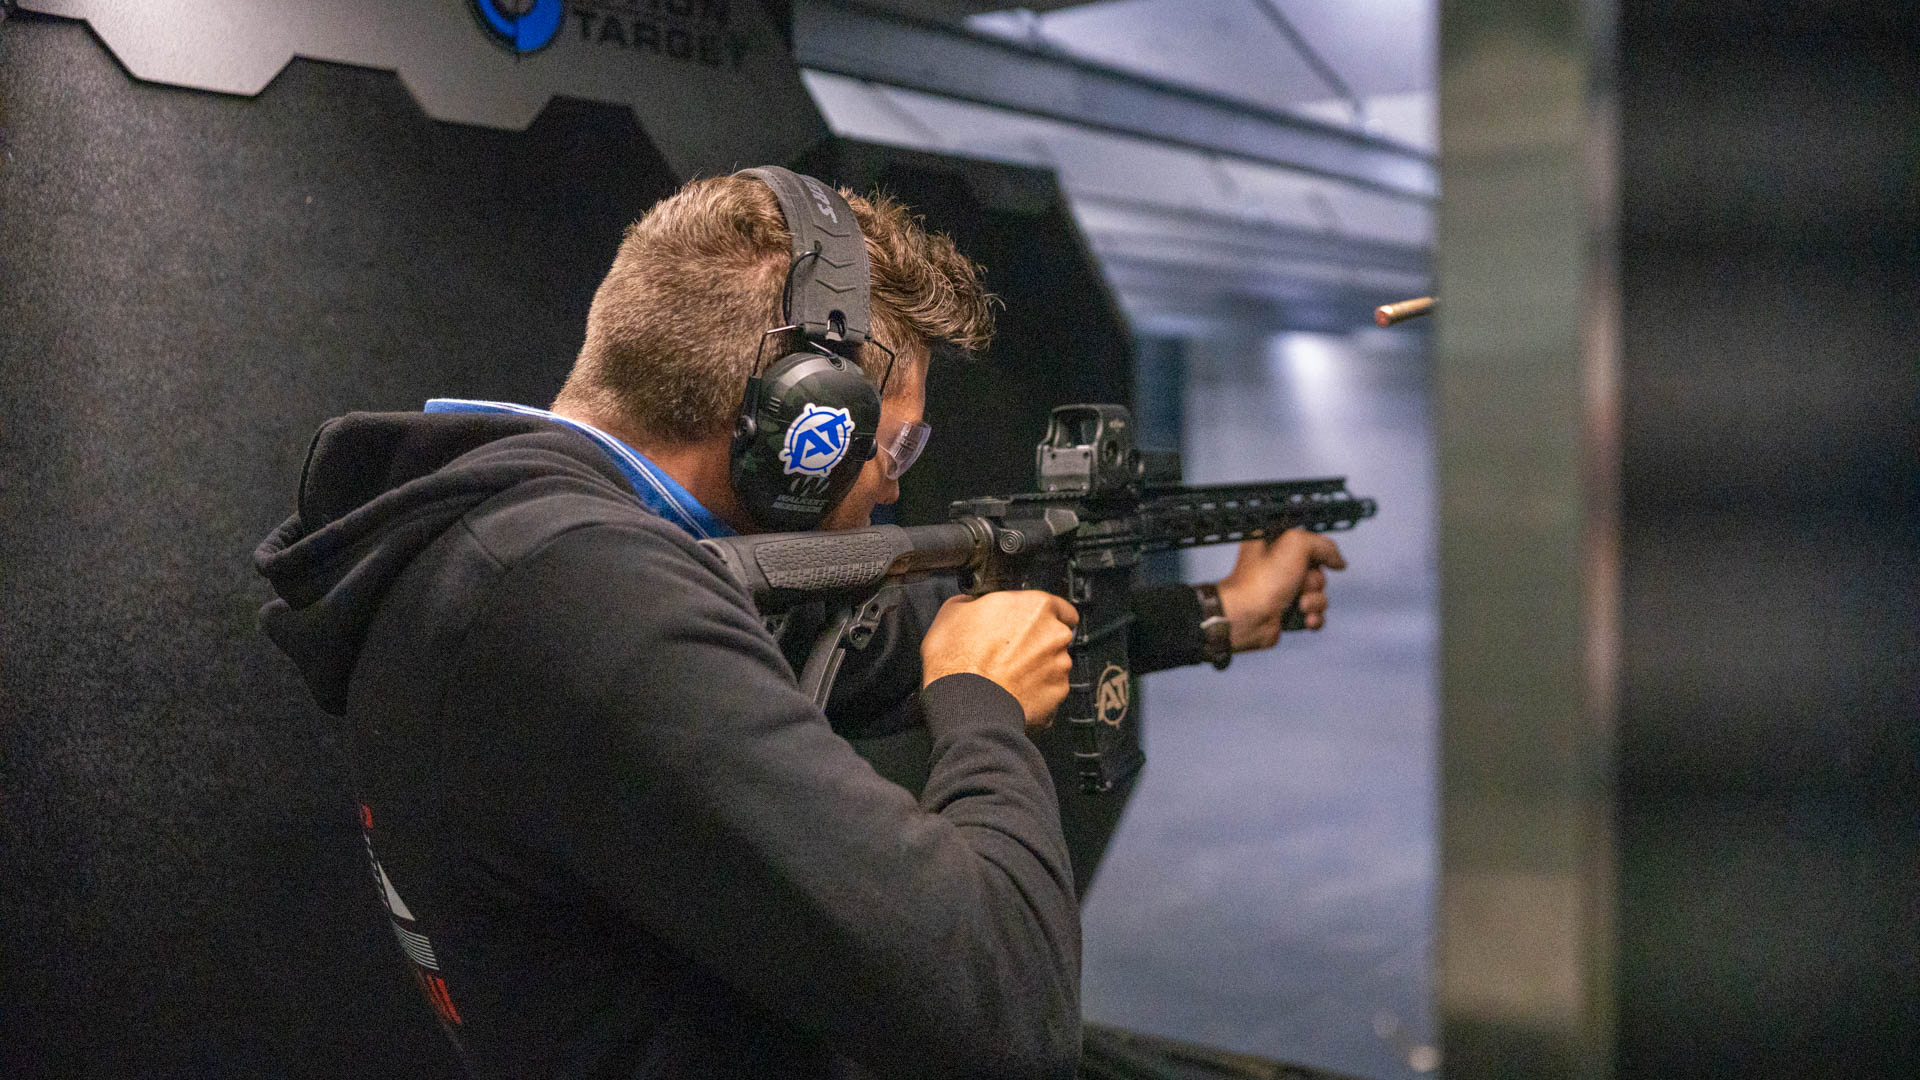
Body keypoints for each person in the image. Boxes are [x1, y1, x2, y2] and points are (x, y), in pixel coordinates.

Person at [255, 170, 1344, 1080]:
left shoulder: (512, 543)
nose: (895, 487)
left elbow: (873, 642)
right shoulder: (587, 602)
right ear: (800, 420)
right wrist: (984, 712)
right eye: (895, 447)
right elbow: (1007, 1009)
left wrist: (1209, 613)